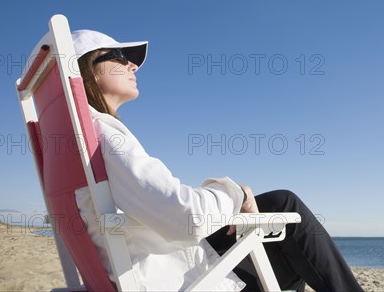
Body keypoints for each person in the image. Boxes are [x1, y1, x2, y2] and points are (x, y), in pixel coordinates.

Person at [71, 29, 364, 292]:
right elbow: (186, 216)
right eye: (120, 56)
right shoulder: (104, 134)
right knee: (288, 221)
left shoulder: (75, 142)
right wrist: (236, 192)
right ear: (87, 69)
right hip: (179, 280)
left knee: (278, 208)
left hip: (158, 263)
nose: (132, 65)